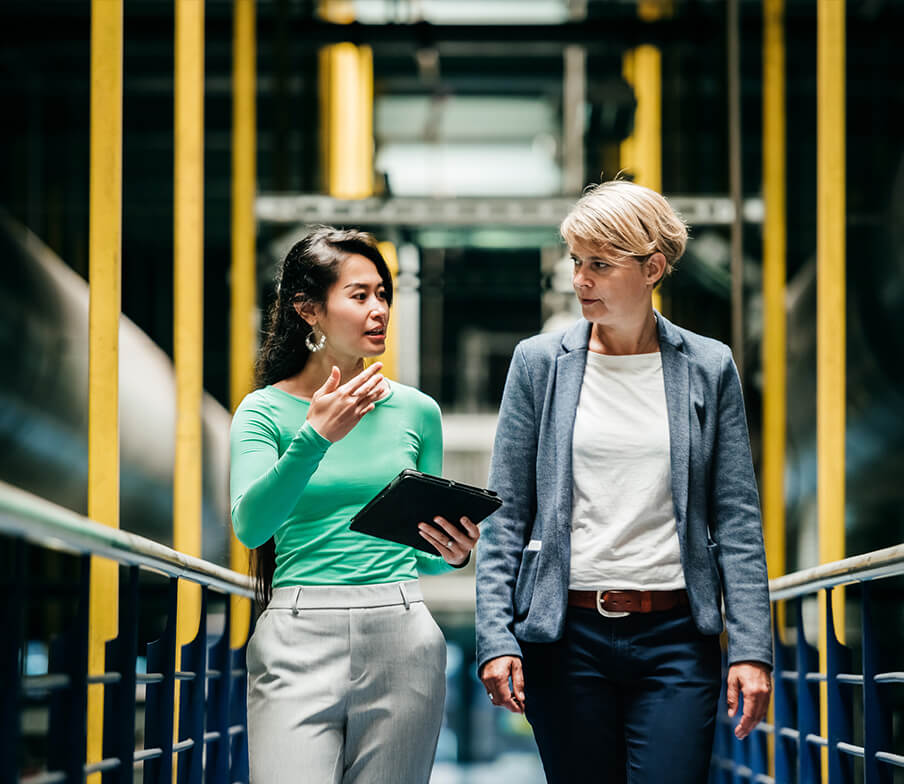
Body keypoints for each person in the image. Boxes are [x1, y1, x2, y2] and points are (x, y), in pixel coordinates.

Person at [475, 180, 772, 783]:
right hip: (566, 637)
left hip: (677, 638)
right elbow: (506, 514)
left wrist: (750, 649)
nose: (580, 280)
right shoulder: (539, 364)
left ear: (653, 267)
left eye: (601, 265)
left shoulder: (708, 366)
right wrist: (495, 638)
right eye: (577, 263)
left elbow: (736, 516)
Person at [230, 227, 480, 784]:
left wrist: (456, 552)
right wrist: (315, 437)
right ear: (309, 310)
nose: (379, 310)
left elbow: (429, 555)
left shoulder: (418, 412)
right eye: (360, 295)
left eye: (383, 294)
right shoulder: (262, 412)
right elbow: (250, 526)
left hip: (402, 631)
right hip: (297, 633)